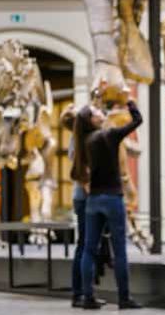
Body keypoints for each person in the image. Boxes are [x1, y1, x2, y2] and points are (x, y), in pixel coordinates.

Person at [78, 99, 143, 310]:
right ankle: (124, 298)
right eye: (96, 112)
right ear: (91, 120)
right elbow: (137, 121)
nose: (100, 112)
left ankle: (88, 297)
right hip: (112, 198)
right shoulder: (109, 135)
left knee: (89, 249)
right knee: (120, 250)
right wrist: (130, 104)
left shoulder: (85, 140)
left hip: (93, 200)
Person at [67, 106, 106, 309]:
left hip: (88, 197)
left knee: (86, 245)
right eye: (95, 112)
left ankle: (82, 292)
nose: (99, 113)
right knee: (85, 245)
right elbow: (81, 172)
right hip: (86, 199)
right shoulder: (80, 140)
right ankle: (80, 293)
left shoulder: (91, 137)